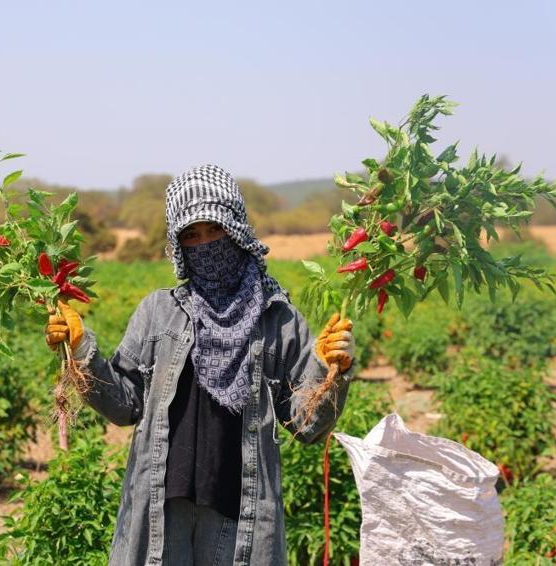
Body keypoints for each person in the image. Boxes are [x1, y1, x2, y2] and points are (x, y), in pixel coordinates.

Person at [45, 164, 357, 566]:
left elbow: (306, 424)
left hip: (239, 515)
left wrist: (329, 369)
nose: (205, 244)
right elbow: (125, 406)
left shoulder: (277, 319)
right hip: (163, 513)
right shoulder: (158, 312)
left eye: (215, 229)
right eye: (191, 235)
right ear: (178, 244)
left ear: (237, 228)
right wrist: (80, 349)